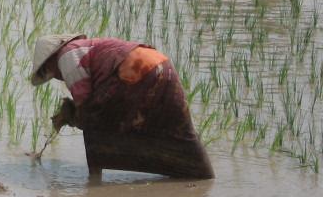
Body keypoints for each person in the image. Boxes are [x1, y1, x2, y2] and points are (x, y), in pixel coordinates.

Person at [30, 34, 214, 179]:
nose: (53, 75)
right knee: (176, 125)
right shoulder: (87, 47)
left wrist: (72, 117)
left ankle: (95, 178)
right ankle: (202, 173)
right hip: (161, 65)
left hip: (134, 71)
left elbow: (85, 102)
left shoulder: (66, 57)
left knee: (92, 118)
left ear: (50, 61)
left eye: (48, 71)